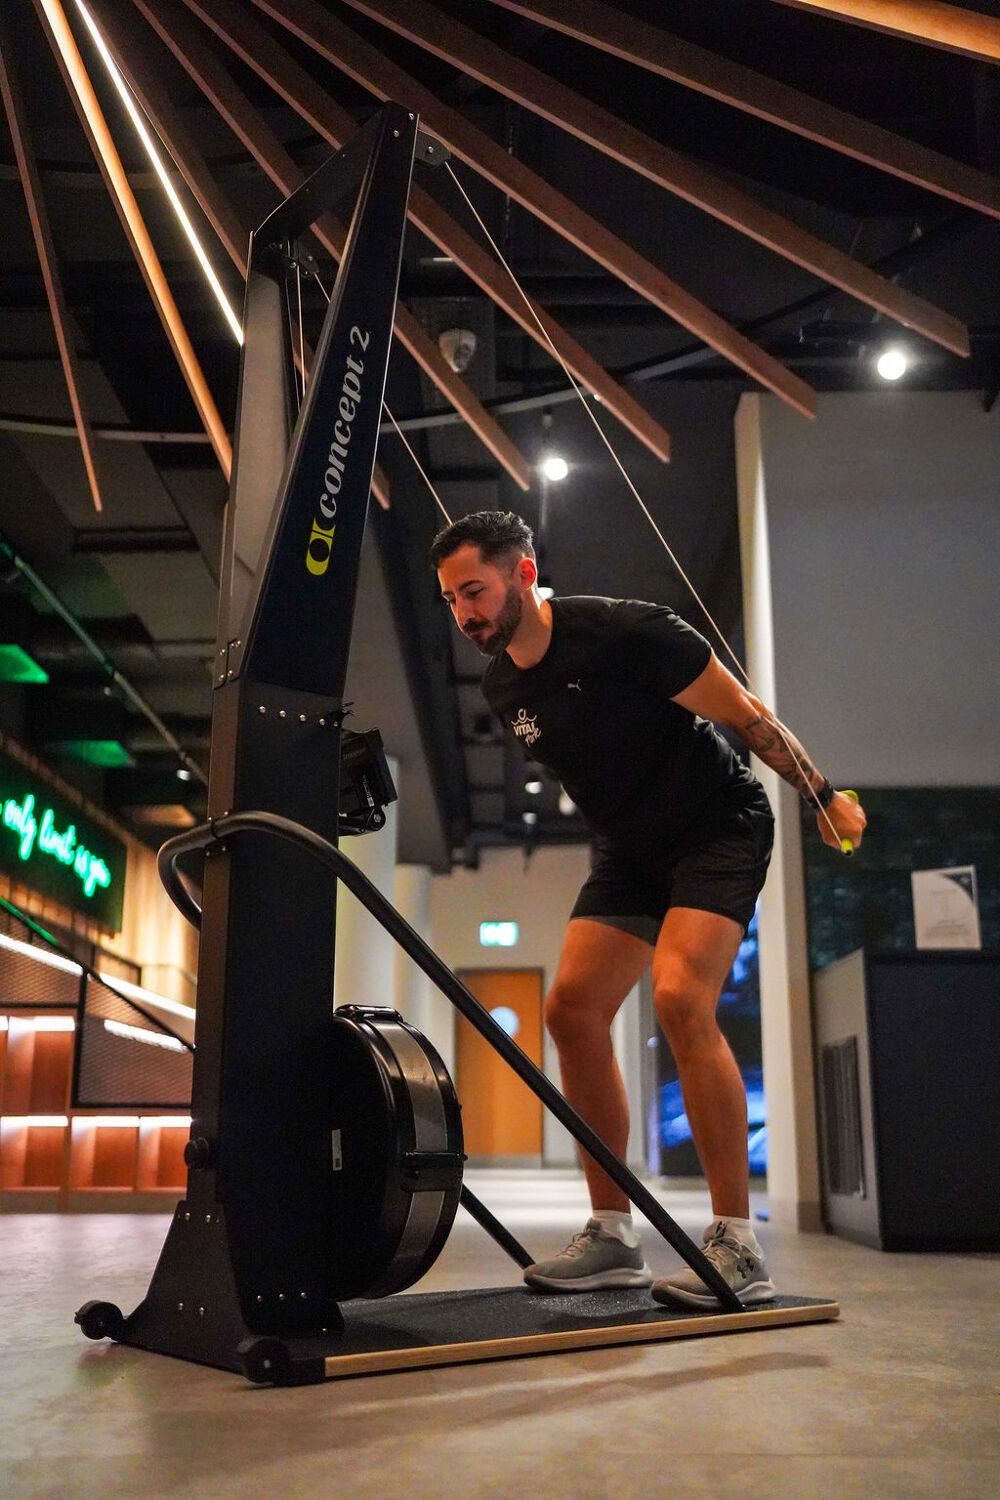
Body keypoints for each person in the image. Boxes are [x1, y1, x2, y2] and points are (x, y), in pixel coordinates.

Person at [432, 510, 866, 1307]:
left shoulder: (628, 632)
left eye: (475, 591)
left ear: (523, 573)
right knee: (570, 1011)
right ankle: (612, 1235)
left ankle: (738, 1245)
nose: (465, 614)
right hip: (629, 851)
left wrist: (823, 794)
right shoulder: (503, 687)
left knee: (680, 999)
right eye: (452, 600)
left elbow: (746, 716)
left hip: (716, 828)